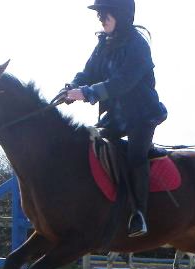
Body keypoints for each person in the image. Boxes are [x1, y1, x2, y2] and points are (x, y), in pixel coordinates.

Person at [67, 0, 167, 237]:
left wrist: (87, 93)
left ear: (121, 15)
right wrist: (72, 86)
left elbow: (122, 83)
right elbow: (88, 72)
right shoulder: (103, 44)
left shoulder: (138, 46)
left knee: (135, 156)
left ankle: (139, 215)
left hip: (141, 116)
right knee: (91, 146)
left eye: (105, 14)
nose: (100, 19)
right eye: (99, 15)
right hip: (115, 117)